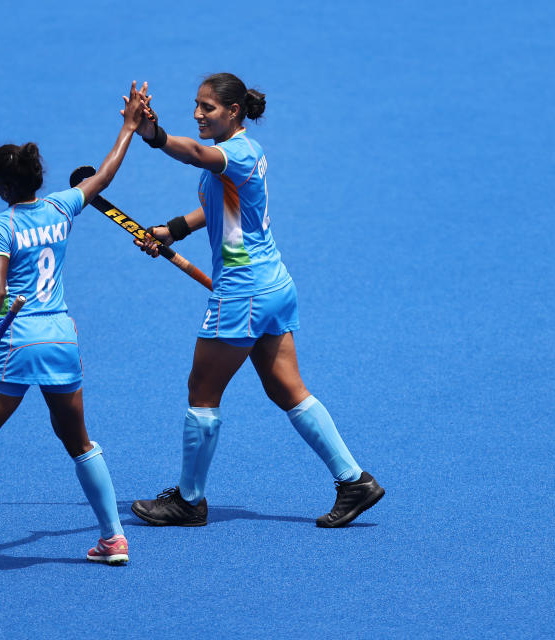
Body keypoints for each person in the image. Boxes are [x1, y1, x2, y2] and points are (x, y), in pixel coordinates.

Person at [0, 82, 147, 572]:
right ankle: (113, 538)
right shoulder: (62, 207)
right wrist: (128, 126)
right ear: (40, 178)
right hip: (62, 339)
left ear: (0, 186)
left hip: (16, 342)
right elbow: (104, 174)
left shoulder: (1, 226)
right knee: (79, 441)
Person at [129, 73, 384, 528]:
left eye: (207, 108)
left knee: (202, 392)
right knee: (286, 387)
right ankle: (354, 481)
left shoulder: (234, 153)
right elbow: (219, 208)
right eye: (196, 105)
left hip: (243, 292)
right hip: (272, 287)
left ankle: (188, 501)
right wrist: (172, 229)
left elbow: (192, 153)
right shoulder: (244, 156)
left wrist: (152, 134)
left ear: (234, 112)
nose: (198, 114)